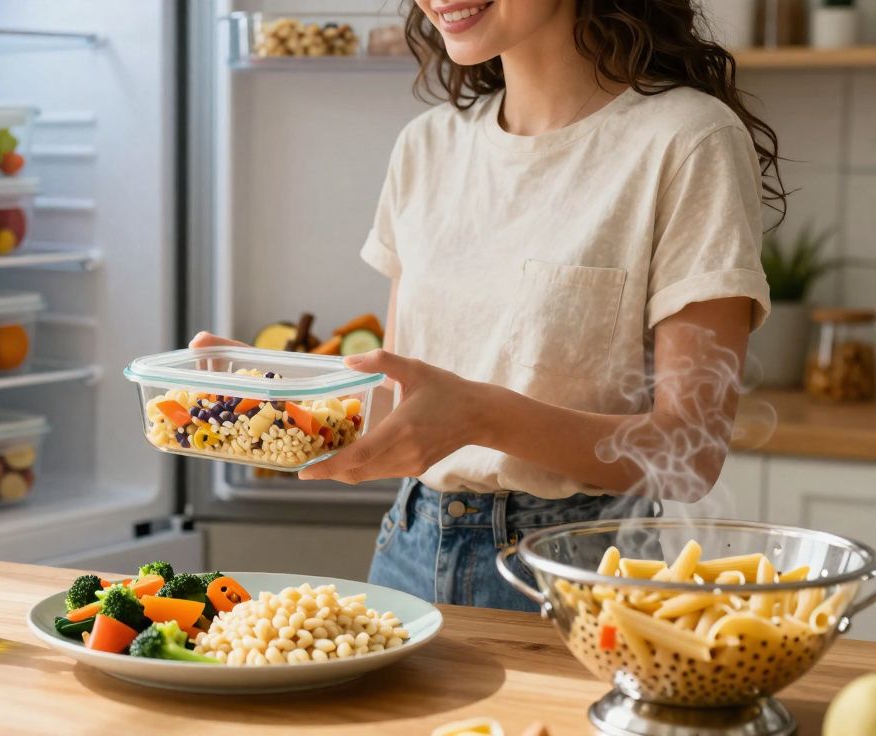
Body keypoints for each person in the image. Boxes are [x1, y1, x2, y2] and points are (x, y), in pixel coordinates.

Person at [192, 0, 781, 611]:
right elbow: (395, 399)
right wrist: (270, 387)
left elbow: (691, 453)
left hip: (579, 569)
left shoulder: (687, 140)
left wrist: (482, 417)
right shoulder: (427, 146)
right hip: (408, 546)